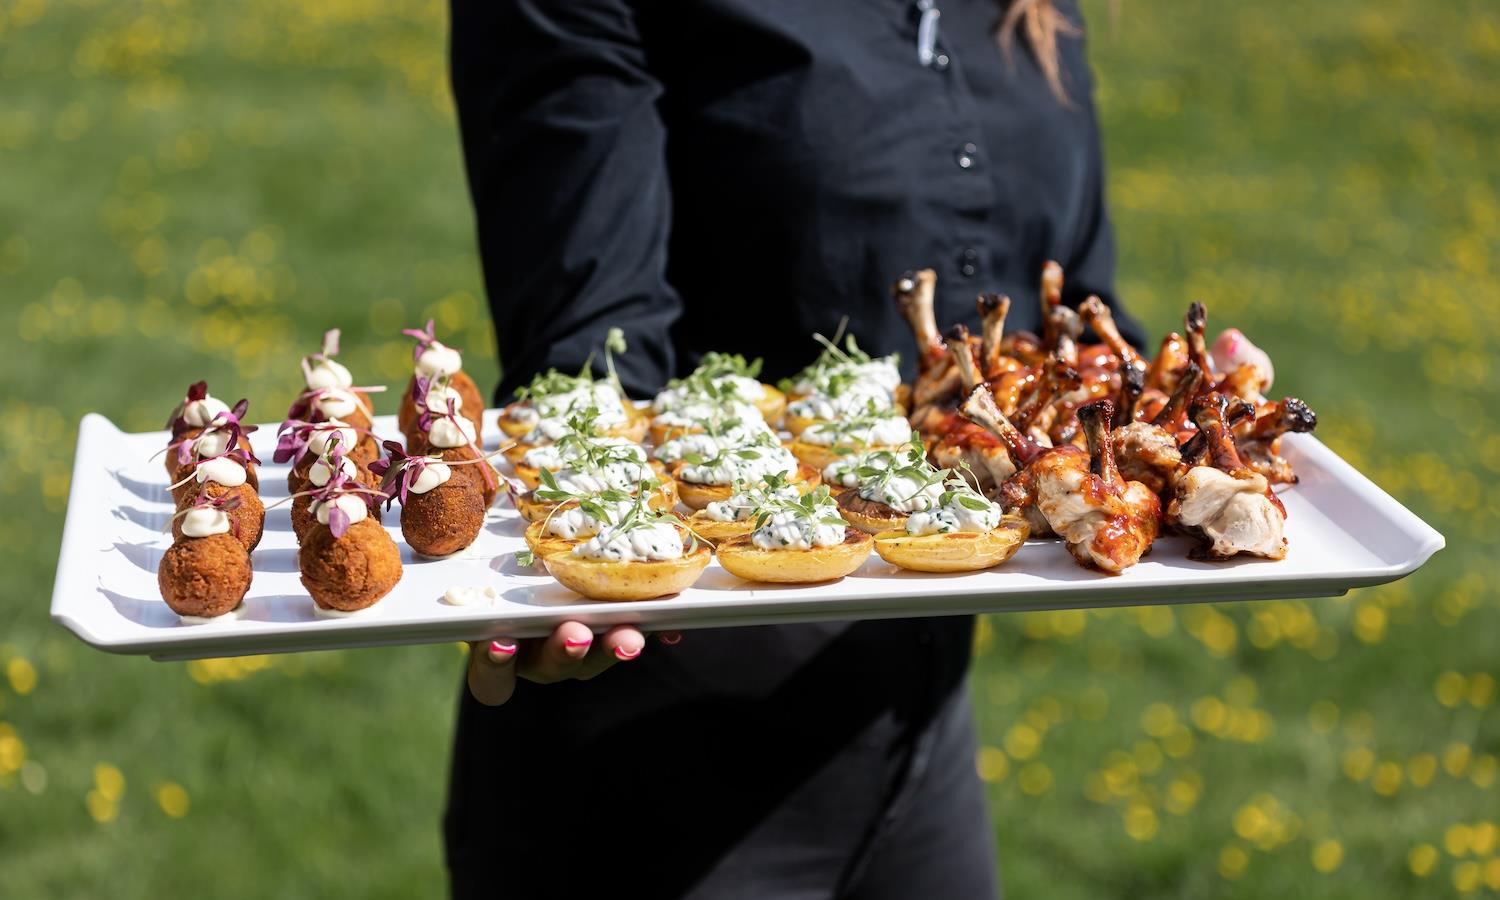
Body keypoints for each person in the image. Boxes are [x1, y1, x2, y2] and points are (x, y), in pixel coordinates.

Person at [444, 1, 1145, 897]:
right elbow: (592, 336)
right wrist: (583, 533)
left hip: (915, 733)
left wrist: (1179, 410)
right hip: (656, 755)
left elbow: (1070, 307)